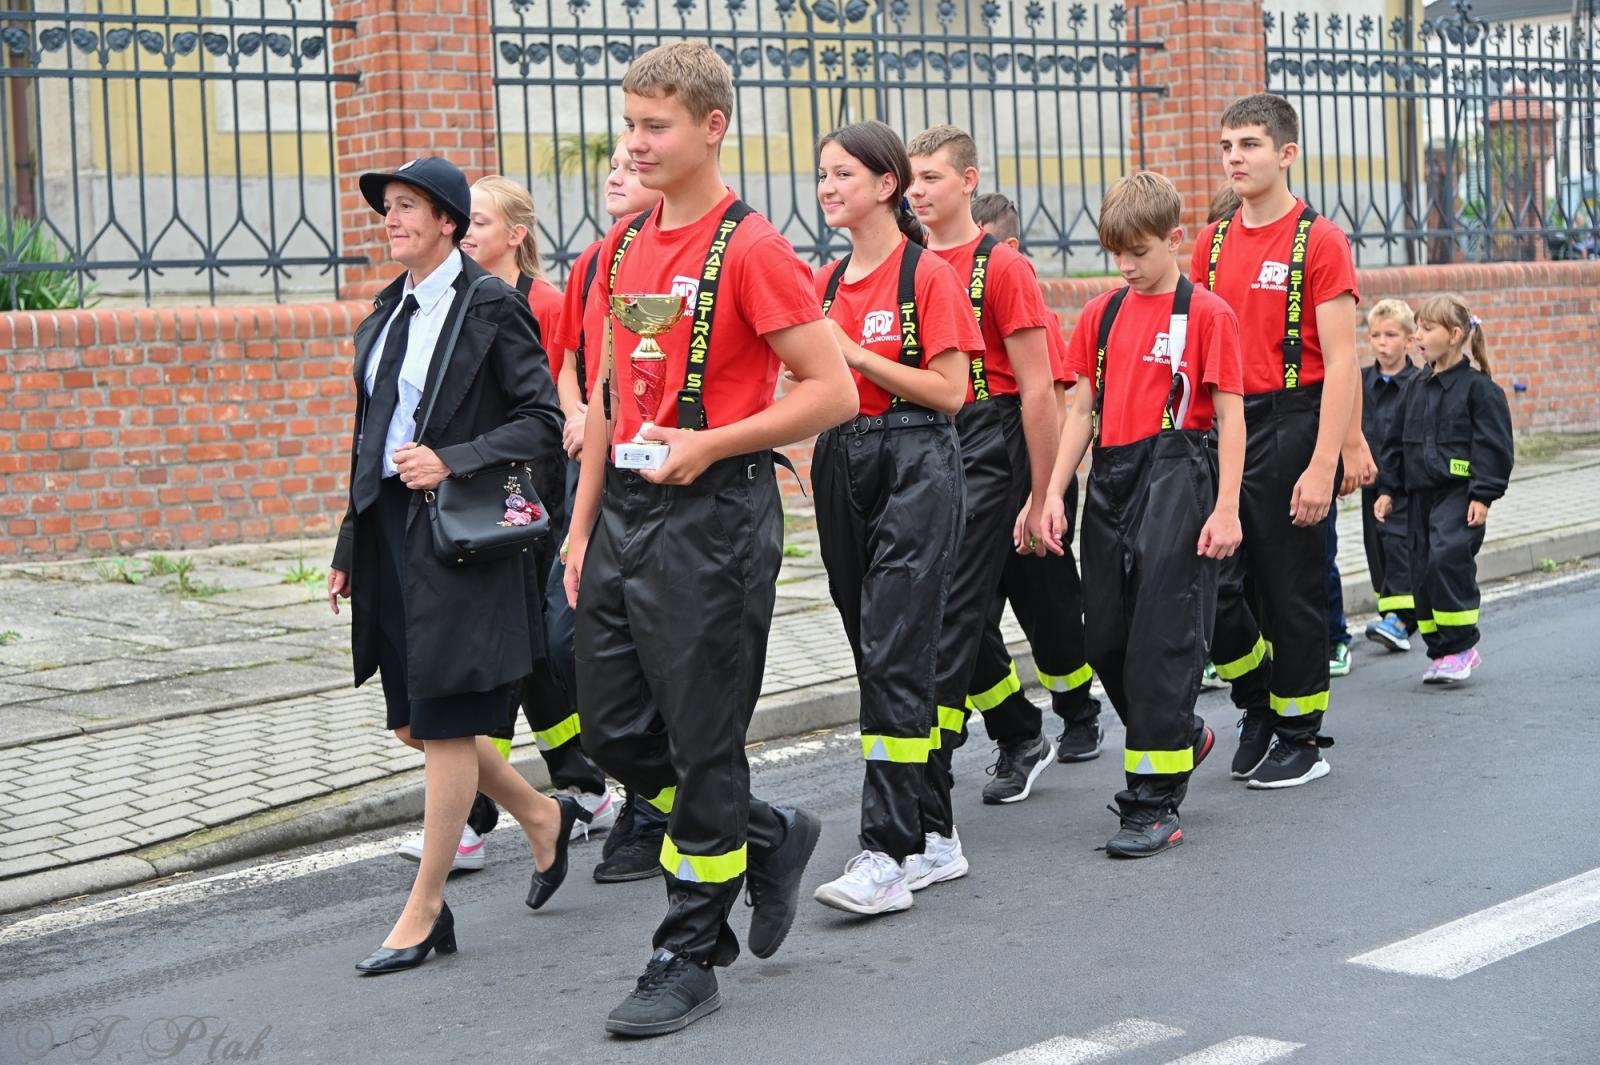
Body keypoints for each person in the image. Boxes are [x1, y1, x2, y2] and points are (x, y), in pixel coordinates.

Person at [563, 42, 857, 1037]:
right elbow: (609, 396)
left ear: (710, 128)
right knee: (607, 729)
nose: (634, 144)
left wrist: (710, 443)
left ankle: (689, 952)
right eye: (629, 124)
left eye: (655, 126)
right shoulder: (622, 248)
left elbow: (832, 390)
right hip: (626, 518)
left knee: (703, 740)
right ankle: (769, 834)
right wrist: (579, 527)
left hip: (715, 514)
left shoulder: (753, 250)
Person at [329, 156, 588, 976]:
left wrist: (452, 457)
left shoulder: (491, 307)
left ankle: (427, 907)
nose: (391, 219)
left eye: (407, 206)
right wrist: (346, 542)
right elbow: (372, 436)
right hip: (388, 534)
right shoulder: (387, 312)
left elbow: (541, 423)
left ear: (447, 221)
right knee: (412, 719)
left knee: (445, 722)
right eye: (387, 208)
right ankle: (540, 815)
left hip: (460, 537)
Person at [391, 174, 614, 875]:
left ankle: (499, 807)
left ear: (515, 233)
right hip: (468, 499)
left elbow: (554, 397)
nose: (471, 229)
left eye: (482, 220)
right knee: (518, 663)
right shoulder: (446, 304)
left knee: (512, 660)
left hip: (526, 499)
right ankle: (552, 790)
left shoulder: (540, 303)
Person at [1034, 170, 1243, 856]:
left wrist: (1228, 508)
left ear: (1175, 239)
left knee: (1162, 639)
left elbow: (1232, 417)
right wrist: (1053, 495)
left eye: (1140, 252)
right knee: (1107, 639)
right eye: (1116, 253)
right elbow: (1080, 409)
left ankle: (1153, 802)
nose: (1126, 265)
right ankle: (1179, 734)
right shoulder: (1100, 314)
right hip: (1113, 478)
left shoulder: (1208, 313)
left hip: (1181, 472)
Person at [805, 122, 979, 916]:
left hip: (916, 459)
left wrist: (857, 354)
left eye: (843, 174)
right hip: (845, 461)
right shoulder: (826, 281)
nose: (828, 187)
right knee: (874, 652)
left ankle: (889, 850)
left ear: (886, 185)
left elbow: (950, 392)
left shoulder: (928, 275)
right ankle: (936, 833)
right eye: (821, 176)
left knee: (895, 649)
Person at [1193, 93, 1367, 790]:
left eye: (1250, 144)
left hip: (1293, 419)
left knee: (1291, 585)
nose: (1235, 156)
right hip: (1222, 424)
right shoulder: (1210, 241)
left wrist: (1326, 459)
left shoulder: (1319, 240)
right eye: (1228, 144)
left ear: (1286, 153)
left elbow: (1344, 360)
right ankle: (1257, 700)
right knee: (1218, 585)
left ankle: (1300, 732)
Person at [906, 125, 1060, 830]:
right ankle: (1020, 728)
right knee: (941, 607)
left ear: (968, 182)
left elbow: (1036, 390)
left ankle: (921, 781)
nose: (917, 192)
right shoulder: (904, 264)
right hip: (924, 444)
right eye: (910, 179)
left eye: (932, 177)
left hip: (989, 440)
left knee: (950, 612)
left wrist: (1043, 492)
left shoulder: (1002, 267)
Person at [549, 143, 670, 884]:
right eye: (613, 163)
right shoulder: (599, 260)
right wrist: (578, 414)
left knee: (662, 653)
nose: (618, 174)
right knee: (578, 645)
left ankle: (656, 807)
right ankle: (657, 791)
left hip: (669, 476)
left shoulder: (694, 255)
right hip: (601, 469)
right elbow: (576, 363)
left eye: (632, 160)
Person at [969, 191, 1102, 762]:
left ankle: (1078, 711)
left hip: (1027, 456)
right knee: (966, 611)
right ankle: (1013, 726)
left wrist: (1040, 491)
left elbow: (1047, 397)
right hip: (969, 448)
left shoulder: (1028, 308)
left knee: (1046, 602)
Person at [1374, 295, 1513, 683]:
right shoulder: (1414, 387)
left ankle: (1462, 646)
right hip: (1419, 496)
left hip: (1459, 495)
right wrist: (1389, 489)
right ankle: (1441, 651)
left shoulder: (1478, 390)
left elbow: (1494, 447)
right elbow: (1396, 442)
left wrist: (1483, 494)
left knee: (1447, 559)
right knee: (1421, 570)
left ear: (1454, 335)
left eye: (1426, 329)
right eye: (1416, 328)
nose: (1417, 335)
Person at [1360, 298, 1421, 652]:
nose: (1383, 343)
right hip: (1371, 485)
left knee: (1399, 545)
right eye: (1376, 335)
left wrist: (1393, 486)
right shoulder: (1362, 381)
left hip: (1404, 486)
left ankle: (1401, 620)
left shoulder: (1417, 383)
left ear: (1410, 340)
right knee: (1377, 549)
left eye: (1392, 335)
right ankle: (1392, 613)